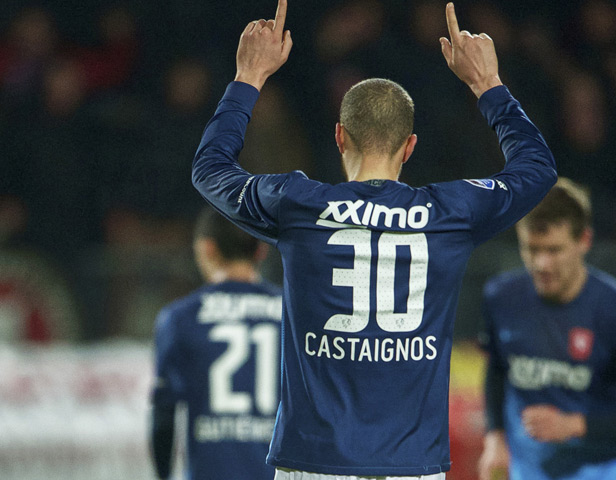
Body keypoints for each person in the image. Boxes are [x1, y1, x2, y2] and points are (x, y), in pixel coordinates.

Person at [191, 1, 557, 477]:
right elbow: (536, 168)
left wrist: (249, 76)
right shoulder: (451, 212)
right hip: (411, 466)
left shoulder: (298, 204)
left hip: (313, 463)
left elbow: (211, 169)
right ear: (410, 145)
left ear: (340, 137)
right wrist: (488, 85)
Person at [478, 178, 616, 480]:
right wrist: (495, 439)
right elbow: (498, 370)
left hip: (599, 469)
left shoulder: (610, 308)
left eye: (554, 250)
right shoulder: (501, 297)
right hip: (526, 470)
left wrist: (575, 425)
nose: (541, 263)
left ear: (584, 241)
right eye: (531, 249)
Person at [150, 207, 282, 480]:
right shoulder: (294, 316)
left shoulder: (180, 318)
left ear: (206, 249)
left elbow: (163, 418)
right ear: (261, 251)